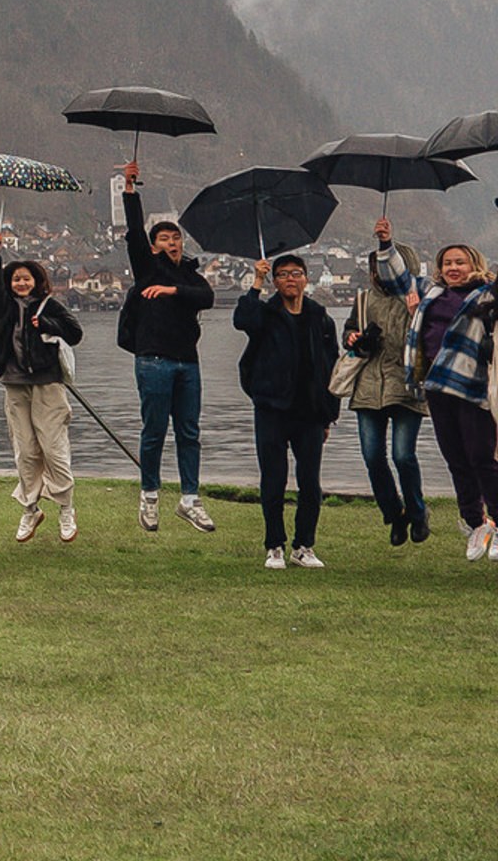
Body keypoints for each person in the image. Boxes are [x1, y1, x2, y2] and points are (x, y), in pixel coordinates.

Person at [372, 235, 498, 560]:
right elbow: (396, 278)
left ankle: (496, 521)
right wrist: (386, 243)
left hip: (473, 386)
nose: (453, 268)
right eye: (447, 263)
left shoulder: (486, 293)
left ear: (474, 264)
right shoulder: (430, 292)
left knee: (481, 457)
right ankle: (475, 523)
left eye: (460, 262)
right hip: (436, 387)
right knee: (455, 458)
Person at [117, 161, 217, 534]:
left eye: (175, 238)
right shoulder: (147, 270)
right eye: (164, 239)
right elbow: (133, 233)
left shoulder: (190, 276)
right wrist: (130, 191)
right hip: (153, 361)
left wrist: (175, 290)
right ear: (155, 246)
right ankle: (150, 495)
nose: (172, 243)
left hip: (187, 364)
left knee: (189, 432)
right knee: (154, 429)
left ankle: (190, 499)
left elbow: (206, 298)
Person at [233, 251, 341, 569]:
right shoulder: (265, 314)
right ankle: (274, 546)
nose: (290, 279)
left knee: (310, 482)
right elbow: (242, 320)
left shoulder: (320, 317)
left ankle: (304, 546)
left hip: (309, 413)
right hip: (271, 410)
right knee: (273, 479)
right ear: (275, 281)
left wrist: (328, 416)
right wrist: (256, 281)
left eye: (296, 273)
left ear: (307, 278)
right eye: (282, 274)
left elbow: (330, 369)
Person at [0, 234, 85, 543]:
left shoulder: (50, 305)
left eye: (26, 278)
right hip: (14, 385)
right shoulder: (2, 308)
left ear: (37, 281)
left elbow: (75, 333)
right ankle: (31, 507)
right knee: (25, 451)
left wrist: (48, 326)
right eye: (15, 279)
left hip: (48, 385)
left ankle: (66, 508)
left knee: (53, 449)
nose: (21, 283)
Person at [343, 219, 428, 546]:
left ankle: (419, 513)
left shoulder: (420, 295)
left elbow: (429, 338)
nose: (378, 273)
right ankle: (395, 514)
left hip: (406, 386)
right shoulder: (364, 298)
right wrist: (352, 337)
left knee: (403, 456)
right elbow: (349, 331)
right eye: (374, 268)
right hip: (368, 386)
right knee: (372, 456)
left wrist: (417, 313)